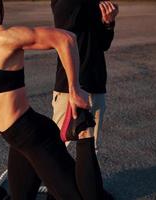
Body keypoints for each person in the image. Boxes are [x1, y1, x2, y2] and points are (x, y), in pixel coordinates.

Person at [0, 0, 106, 199]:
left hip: (36, 139)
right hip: (18, 142)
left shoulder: (3, 38)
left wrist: (74, 89)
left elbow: (66, 39)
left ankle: (85, 135)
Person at [50, 0, 119, 154]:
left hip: (96, 82)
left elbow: (103, 44)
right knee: (58, 146)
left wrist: (108, 22)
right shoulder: (66, 3)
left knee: (90, 149)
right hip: (70, 86)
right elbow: (64, 38)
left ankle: (84, 178)